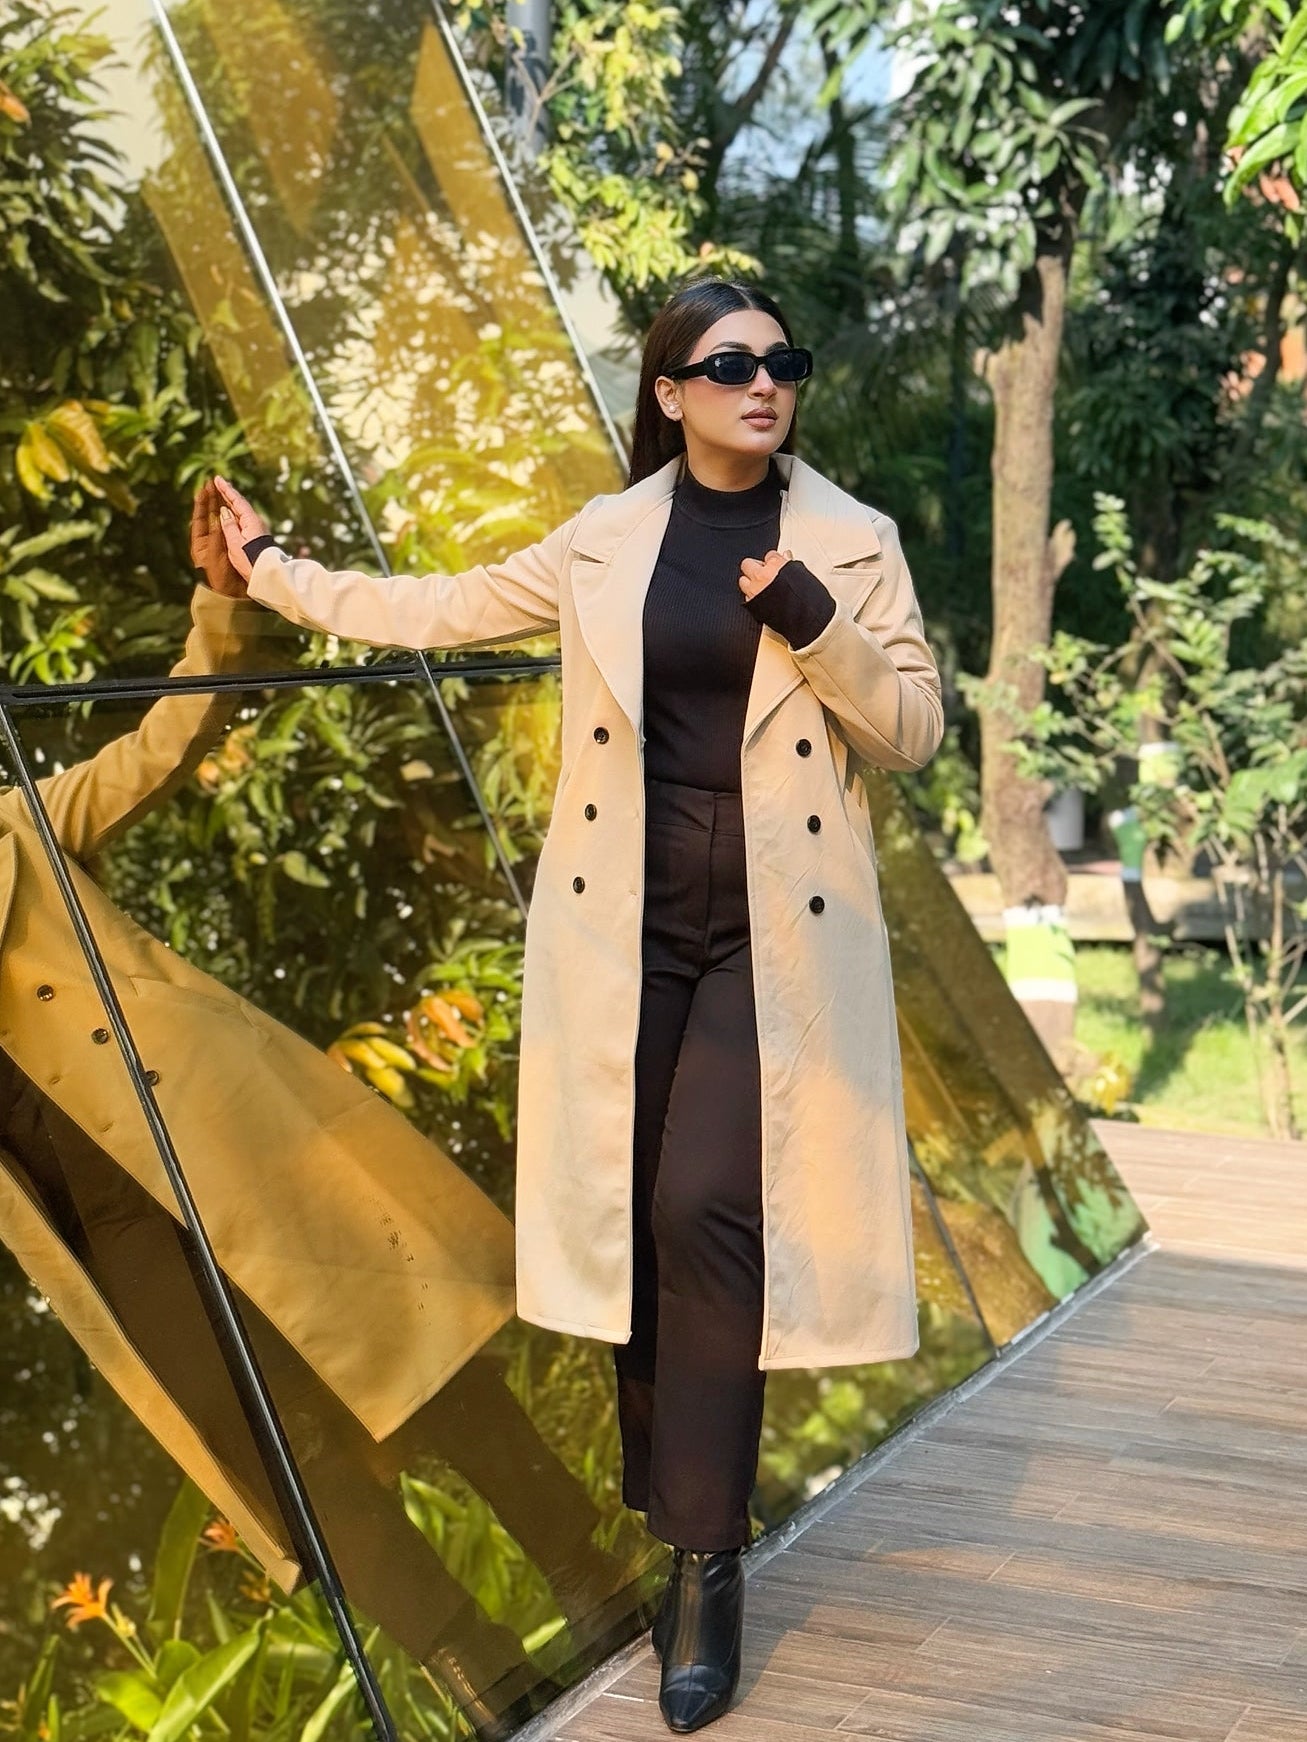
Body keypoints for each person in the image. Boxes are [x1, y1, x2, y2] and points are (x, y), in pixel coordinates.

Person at [214, 279, 944, 1735]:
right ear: (667, 391)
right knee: (625, 1217)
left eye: (779, 363)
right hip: (623, 935)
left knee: (697, 1214)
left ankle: (703, 1568)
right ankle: (675, 1484)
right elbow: (429, 608)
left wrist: (809, 620)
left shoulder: (847, 542)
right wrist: (272, 570)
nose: (761, 383)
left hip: (770, 939)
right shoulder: (605, 540)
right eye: (727, 364)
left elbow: (912, 731)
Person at [0, 485, 629, 1742]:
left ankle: (596, 1577)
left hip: (218, 1139)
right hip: (112, 1240)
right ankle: (482, 1675)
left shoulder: (15, 826)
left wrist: (223, 606)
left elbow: (161, 742)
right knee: (283, 1460)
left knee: (425, 1368)